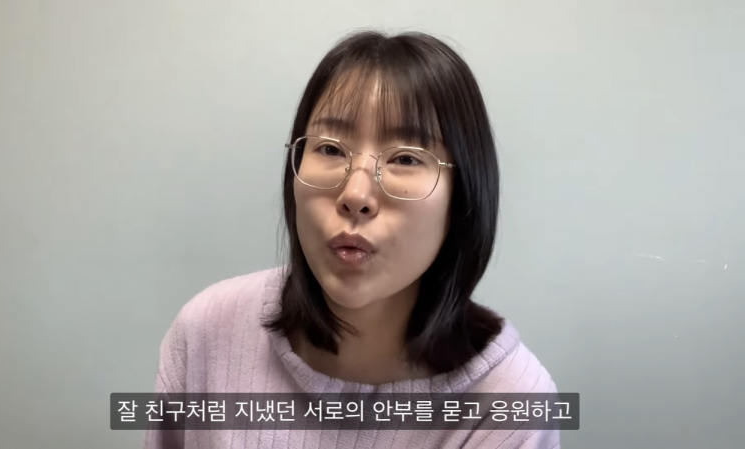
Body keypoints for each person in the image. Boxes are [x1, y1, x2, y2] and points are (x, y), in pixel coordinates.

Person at [144, 30, 559, 448]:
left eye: (405, 158)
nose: (355, 195)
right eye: (329, 149)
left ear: (463, 195)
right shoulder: (208, 332)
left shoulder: (509, 407)